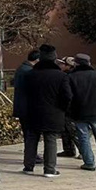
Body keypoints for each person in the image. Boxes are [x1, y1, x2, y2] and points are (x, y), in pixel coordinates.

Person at [23, 44, 73, 177]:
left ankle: (28, 166)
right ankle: (49, 169)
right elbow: (67, 96)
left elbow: (24, 93)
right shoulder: (60, 76)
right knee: (50, 139)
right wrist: (62, 108)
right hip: (54, 112)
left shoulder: (30, 75)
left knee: (32, 138)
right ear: (54, 59)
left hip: (33, 111)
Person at [13, 50, 43, 164]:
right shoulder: (29, 71)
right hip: (28, 108)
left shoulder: (22, 69)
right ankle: (31, 156)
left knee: (28, 133)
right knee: (31, 133)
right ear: (37, 60)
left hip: (22, 107)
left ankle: (31, 155)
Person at [57, 57, 80, 158]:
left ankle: (83, 151)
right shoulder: (65, 75)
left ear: (69, 66)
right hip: (66, 108)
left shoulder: (70, 77)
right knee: (65, 130)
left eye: (62, 64)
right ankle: (68, 150)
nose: (60, 65)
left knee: (72, 131)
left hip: (70, 108)